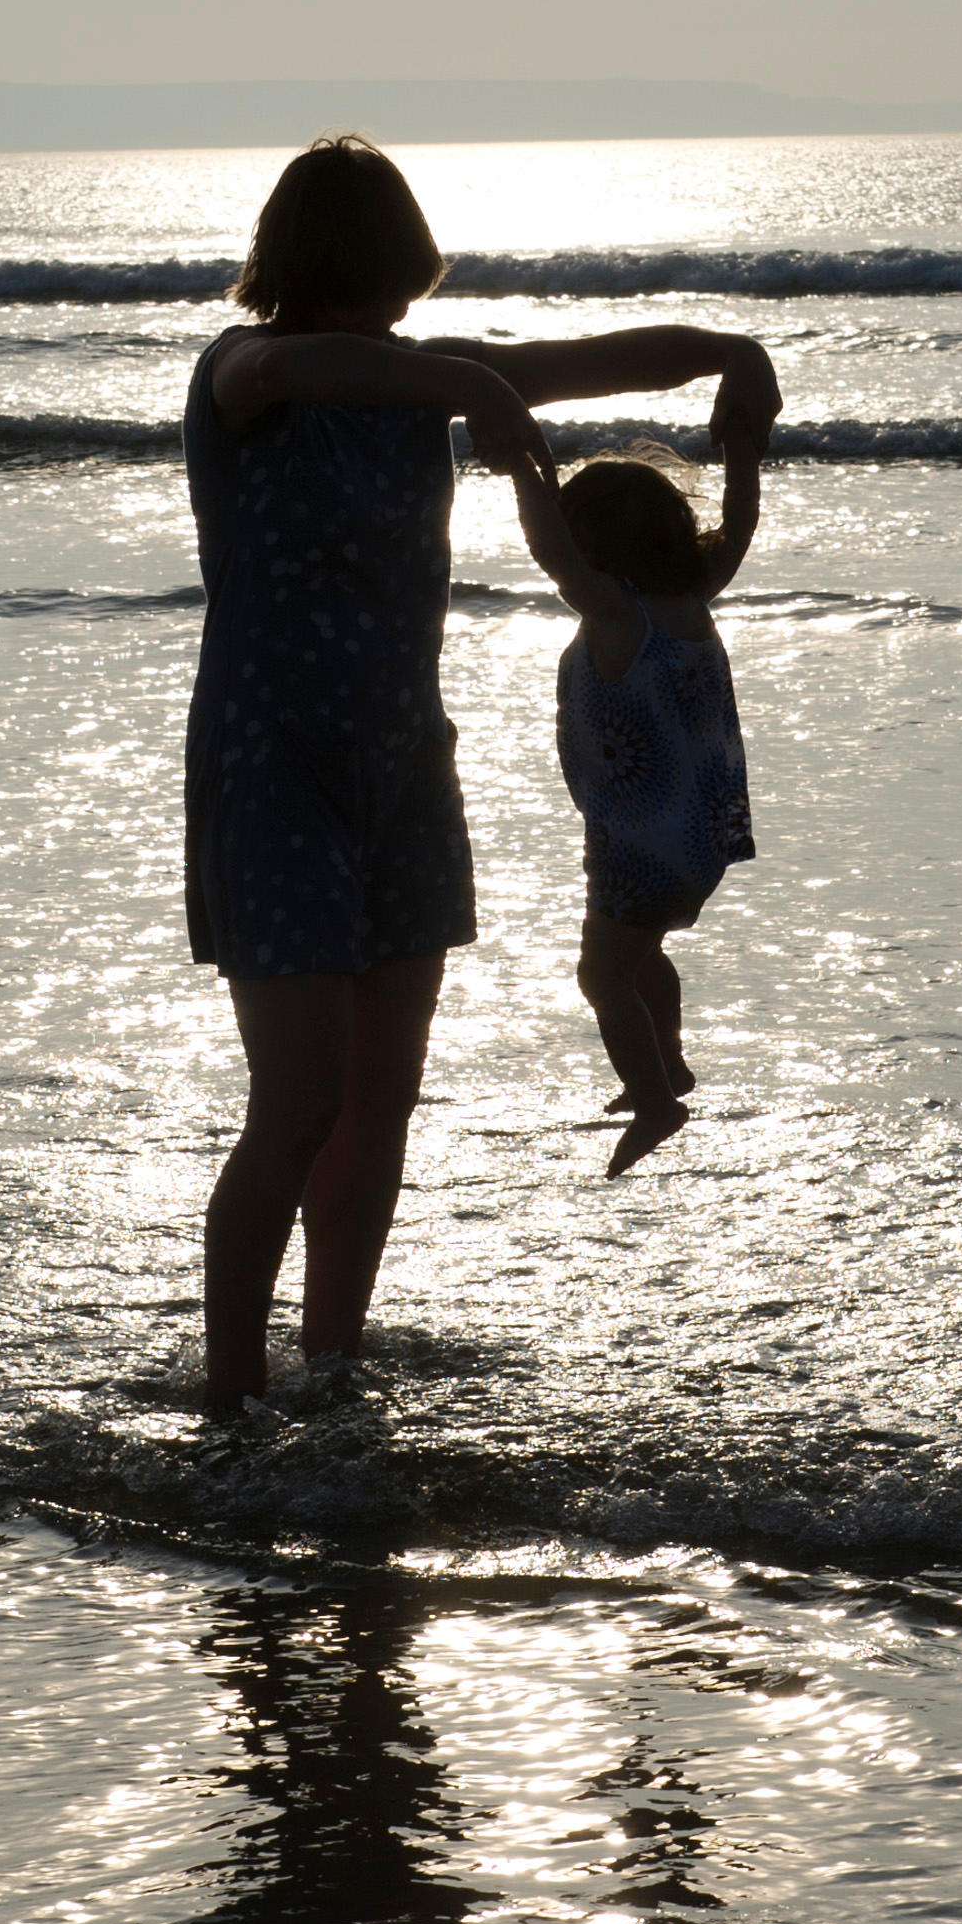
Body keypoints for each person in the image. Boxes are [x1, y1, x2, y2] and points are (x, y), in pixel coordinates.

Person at [184, 133, 777, 1414]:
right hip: (274, 766)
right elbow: (296, 359)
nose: (403, 313)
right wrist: (465, 384)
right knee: (295, 1102)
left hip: (405, 767)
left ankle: (330, 1363)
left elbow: (594, 361)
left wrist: (733, 356)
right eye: (388, 282)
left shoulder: (415, 375)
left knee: (380, 1093)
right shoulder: (247, 374)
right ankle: (231, 1402)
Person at [501, 411, 772, 1175]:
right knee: (639, 953)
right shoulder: (696, 595)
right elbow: (741, 525)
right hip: (694, 839)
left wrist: (527, 476)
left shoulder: (617, 614)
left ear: (594, 548)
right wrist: (743, 451)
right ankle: (669, 1062)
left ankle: (654, 1098)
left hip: (641, 844)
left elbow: (549, 554)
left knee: (602, 974)